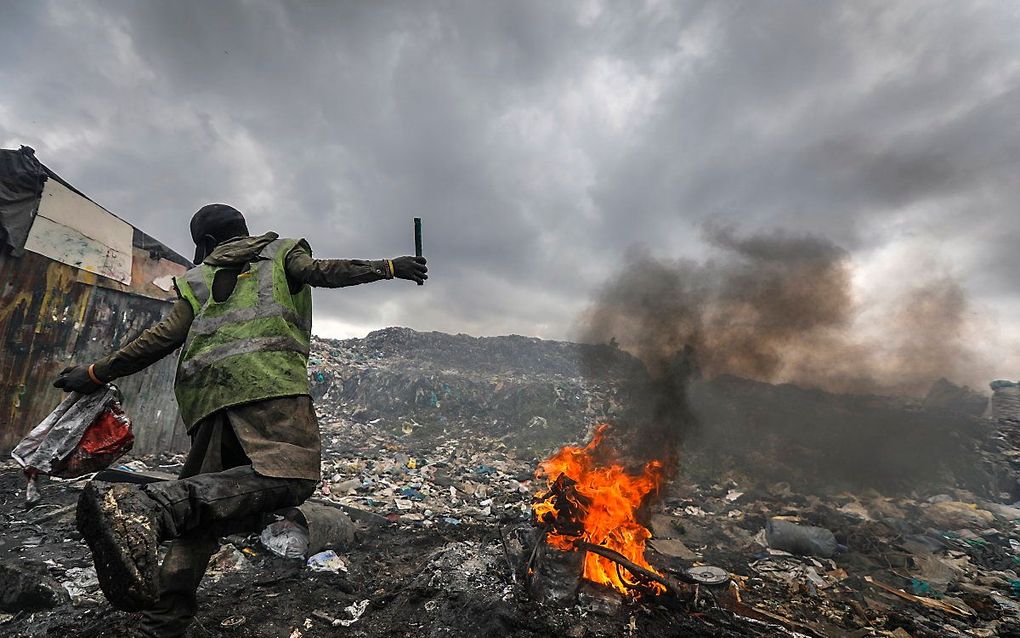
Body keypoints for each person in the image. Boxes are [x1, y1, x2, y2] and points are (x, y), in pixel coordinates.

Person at [53, 203, 427, 637]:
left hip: (207, 399)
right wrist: (388, 266)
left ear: (208, 244)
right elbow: (323, 271)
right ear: (243, 230)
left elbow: (162, 339)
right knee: (292, 479)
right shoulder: (282, 251)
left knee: (203, 515)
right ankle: (151, 506)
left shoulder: (196, 278)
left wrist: (95, 372)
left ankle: (162, 623)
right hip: (270, 387)